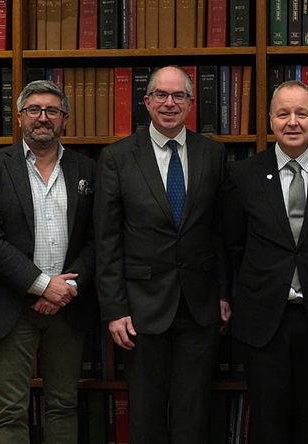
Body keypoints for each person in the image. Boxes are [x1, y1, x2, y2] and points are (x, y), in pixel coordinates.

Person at [94, 66, 230, 443]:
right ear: (147, 101)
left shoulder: (213, 154)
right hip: (140, 308)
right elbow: (107, 241)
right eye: (161, 95)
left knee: (193, 413)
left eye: (178, 96)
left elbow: (219, 232)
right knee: (146, 415)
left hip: (199, 306)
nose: (169, 103)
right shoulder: (117, 158)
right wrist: (115, 309)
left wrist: (222, 292)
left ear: (190, 103)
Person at [0, 80, 96, 443]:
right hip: (12, 307)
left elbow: (96, 240)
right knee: (11, 409)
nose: (43, 118)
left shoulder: (86, 169)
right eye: (34, 110)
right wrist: (44, 285)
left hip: (68, 308)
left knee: (63, 404)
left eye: (52, 110)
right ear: (20, 118)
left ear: (65, 119)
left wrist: (66, 288)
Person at [225, 80, 308, 443]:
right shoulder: (243, 174)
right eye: (283, 114)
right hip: (263, 320)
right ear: (270, 120)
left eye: (301, 113)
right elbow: (232, 244)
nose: (292, 122)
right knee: (268, 423)